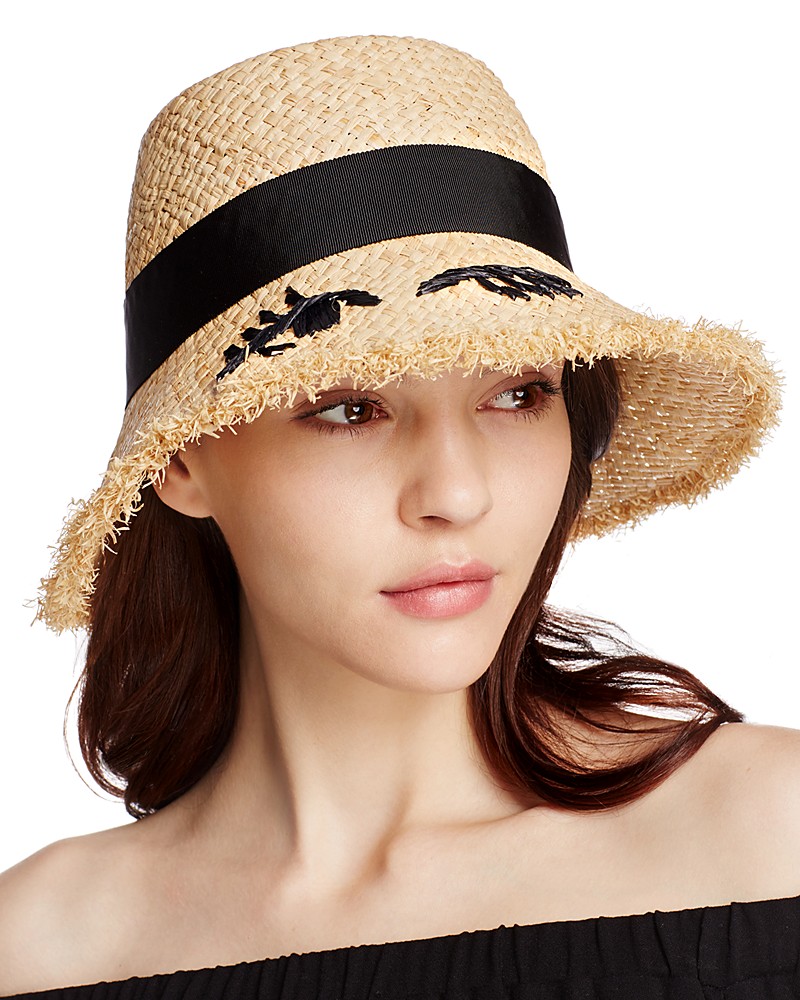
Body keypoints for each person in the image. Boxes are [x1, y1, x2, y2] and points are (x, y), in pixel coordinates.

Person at [1, 32, 798, 998]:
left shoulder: (767, 834)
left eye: (517, 395)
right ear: (181, 459)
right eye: (350, 410)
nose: (457, 495)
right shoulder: (38, 948)